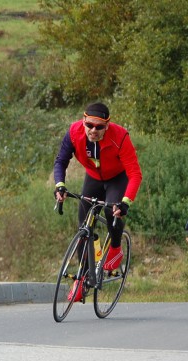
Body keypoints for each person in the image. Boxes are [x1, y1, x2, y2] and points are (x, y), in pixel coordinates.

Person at [52, 102, 142, 301]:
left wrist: (125, 202)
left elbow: (135, 173)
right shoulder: (74, 132)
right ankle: (81, 279)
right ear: (83, 121)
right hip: (93, 177)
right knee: (83, 228)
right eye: (90, 125)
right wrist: (60, 185)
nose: (93, 130)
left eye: (99, 126)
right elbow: (61, 161)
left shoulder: (120, 137)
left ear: (107, 126)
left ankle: (116, 247)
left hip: (117, 179)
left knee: (112, 211)